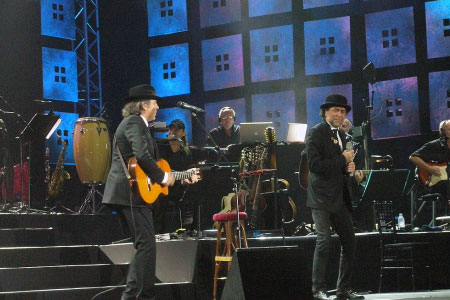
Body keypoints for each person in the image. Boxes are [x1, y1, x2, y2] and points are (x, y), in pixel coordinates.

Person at [102, 84, 198, 300]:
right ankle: (140, 296)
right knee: (146, 244)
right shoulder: (136, 122)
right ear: (143, 104)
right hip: (130, 194)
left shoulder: (137, 124)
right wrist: (165, 177)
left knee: (144, 245)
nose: (157, 107)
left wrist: (181, 177)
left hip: (133, 193)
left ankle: (134, 295)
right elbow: (142, 156)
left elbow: (154, 167)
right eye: (154, 103)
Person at [306, 94, 364, 300]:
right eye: (335, 111)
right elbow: (315, 166)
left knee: (349, 241)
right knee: (324, 241)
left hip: (339, 196)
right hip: (321, 197)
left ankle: (343, 290)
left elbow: (339, 165)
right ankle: (318, 290)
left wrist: (349, 168)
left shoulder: (342, 135)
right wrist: (342, 159)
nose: (340, 114)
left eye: (342, 111)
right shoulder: (316, 133)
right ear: (325, 112)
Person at [156, 119, 195, 232]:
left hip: (177, 189)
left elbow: (184, 174)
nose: (172, 132)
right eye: (170, 129)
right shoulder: (161, 148)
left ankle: (187, 227)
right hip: (160, 188)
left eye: (176, 130)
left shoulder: (186, 153)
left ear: (183, 133)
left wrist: (185, 179)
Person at [410, 119, 450, 208]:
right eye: (449, 129)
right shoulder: (434, 145)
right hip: (435, 183)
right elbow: (413, 157)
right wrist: (429, 168)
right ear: (442, 132)